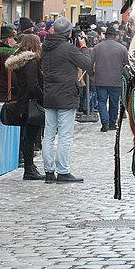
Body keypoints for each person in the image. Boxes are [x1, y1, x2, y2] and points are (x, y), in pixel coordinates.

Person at [41, 17, 92, 183]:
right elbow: (87, 64)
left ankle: (49, 171)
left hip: (49, 95)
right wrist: (83, 48)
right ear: (68, 32)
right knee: (64, 135)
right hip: (66, 95)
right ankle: (62, 171)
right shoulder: (67, 48)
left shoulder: (45, 47)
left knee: (48, 134)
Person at [4, 34, 45, 180]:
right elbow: (33, 86)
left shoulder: (20, 62)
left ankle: (30, 166)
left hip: (23, 102)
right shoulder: (32, 62)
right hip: (31, 103)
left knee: (27, 136)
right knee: (31, 137)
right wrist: (43, 97)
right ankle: (29, 169)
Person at [90, 25, 128, 132]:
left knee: (101, 102)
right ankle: (112, 123)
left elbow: (90, 62)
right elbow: (127, 65)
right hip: (116, 80)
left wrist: (91, 74)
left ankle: (104, 123)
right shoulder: (122, 48)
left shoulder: (97, 47)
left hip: (100, 79)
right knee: (114, 102)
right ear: (115, 36)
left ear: (106, 36)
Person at [0, 25, 18, 102]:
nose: (14, 41)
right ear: (8, 39)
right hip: (6, 93)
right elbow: (12, 77)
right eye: (12, 38)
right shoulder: (7, 54)